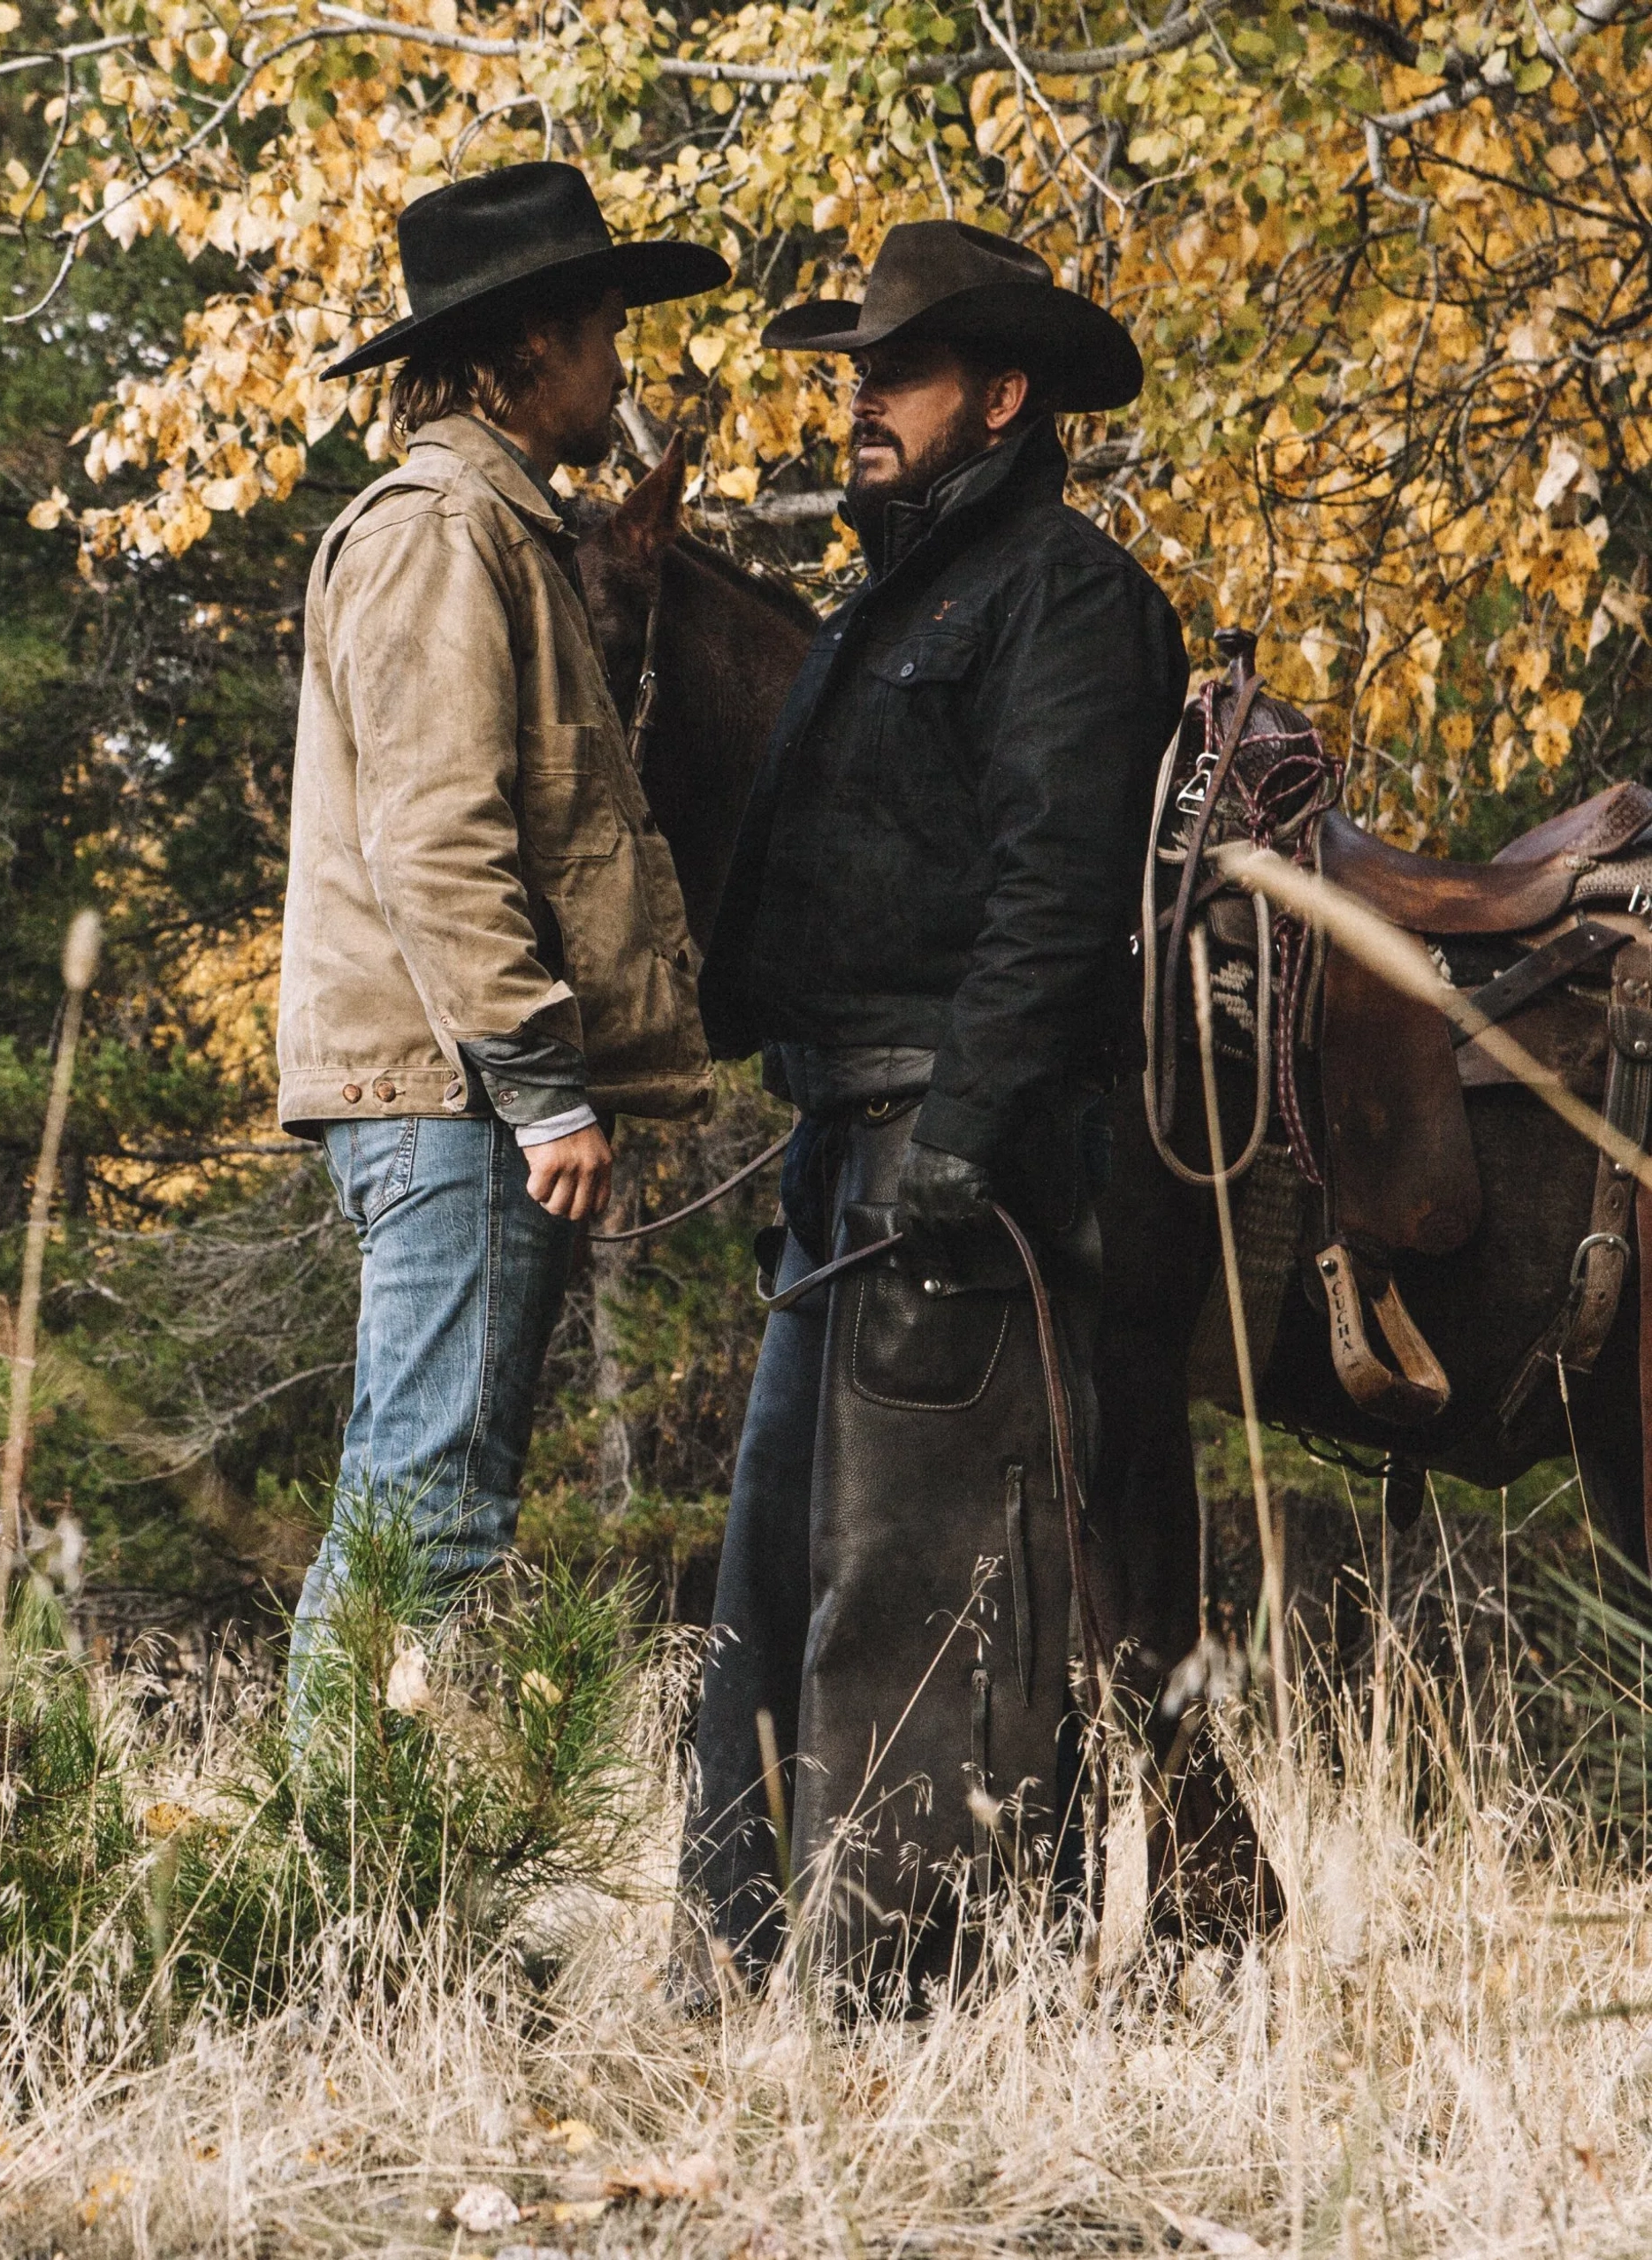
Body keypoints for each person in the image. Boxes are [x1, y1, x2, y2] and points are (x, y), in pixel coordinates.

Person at [676, 221, 1190, 2005]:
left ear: (1003, 394)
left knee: (913, 1593)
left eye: (896, 373)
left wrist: (965, 1126)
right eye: (856, 373)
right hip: (846, 1153)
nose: (863, 403)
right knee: (772, 1574)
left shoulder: (1067, 596)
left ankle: (908, 2014)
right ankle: (740, 1975)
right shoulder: (890, 599)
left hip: (961, 1162)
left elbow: (1058, 892)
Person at [276, 164, 727, 1700]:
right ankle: (339, 1902)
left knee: (429, 1514)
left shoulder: (504, 528)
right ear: (531, 343)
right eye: (604, 329)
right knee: (425, 1527)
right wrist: (543, 1089)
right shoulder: (439, 529)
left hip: (464, 1094)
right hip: (460, 1100)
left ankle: (354, 1900)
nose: (620, 366)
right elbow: (438, 840)